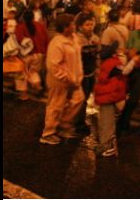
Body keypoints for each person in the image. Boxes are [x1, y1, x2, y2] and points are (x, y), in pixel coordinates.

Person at [40, 14, 85, 145]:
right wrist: (67, 77)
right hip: (60, 81)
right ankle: (48, 133)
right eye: (72, 24)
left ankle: (63, 126)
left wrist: (77, 76)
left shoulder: (74, 38)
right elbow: (53, 66)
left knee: (78, 99)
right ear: (65, 27)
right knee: (56, 105)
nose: (74, 26)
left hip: (74, 79)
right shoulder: (57, 42)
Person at [93, 41, 137, 157]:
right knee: (108, 122)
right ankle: (107, 146)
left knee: (106, 121)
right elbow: (125, 71)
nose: (120, 51)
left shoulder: (106, 63)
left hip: (105, 96)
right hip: (109, 97)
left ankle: (105, 144)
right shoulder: (113, 64)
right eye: (117, 50)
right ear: (113, 54)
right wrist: (134, 60)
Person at [74, 16, 101, 134]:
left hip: (91, 73)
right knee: (81, 99)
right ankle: (78, 123)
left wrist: (98, 69)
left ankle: (79, 121)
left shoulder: (95, 38)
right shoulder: (77, 39)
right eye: (87, 25)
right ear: (80, 27)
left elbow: (98, 55)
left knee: (86, 97)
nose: (90, 27)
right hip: (80, 75)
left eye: (92, 24)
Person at [15, 10, 49, 94]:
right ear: (33, 17)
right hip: (39, 54)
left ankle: (23, 94)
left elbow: (18, 41)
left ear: (23, 18)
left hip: (26, 55)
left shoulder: (20, 27)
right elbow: (46, 39)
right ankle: (37, 85)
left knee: (21, 73)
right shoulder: (40, 26)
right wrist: (46, 53)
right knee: (33, 72)